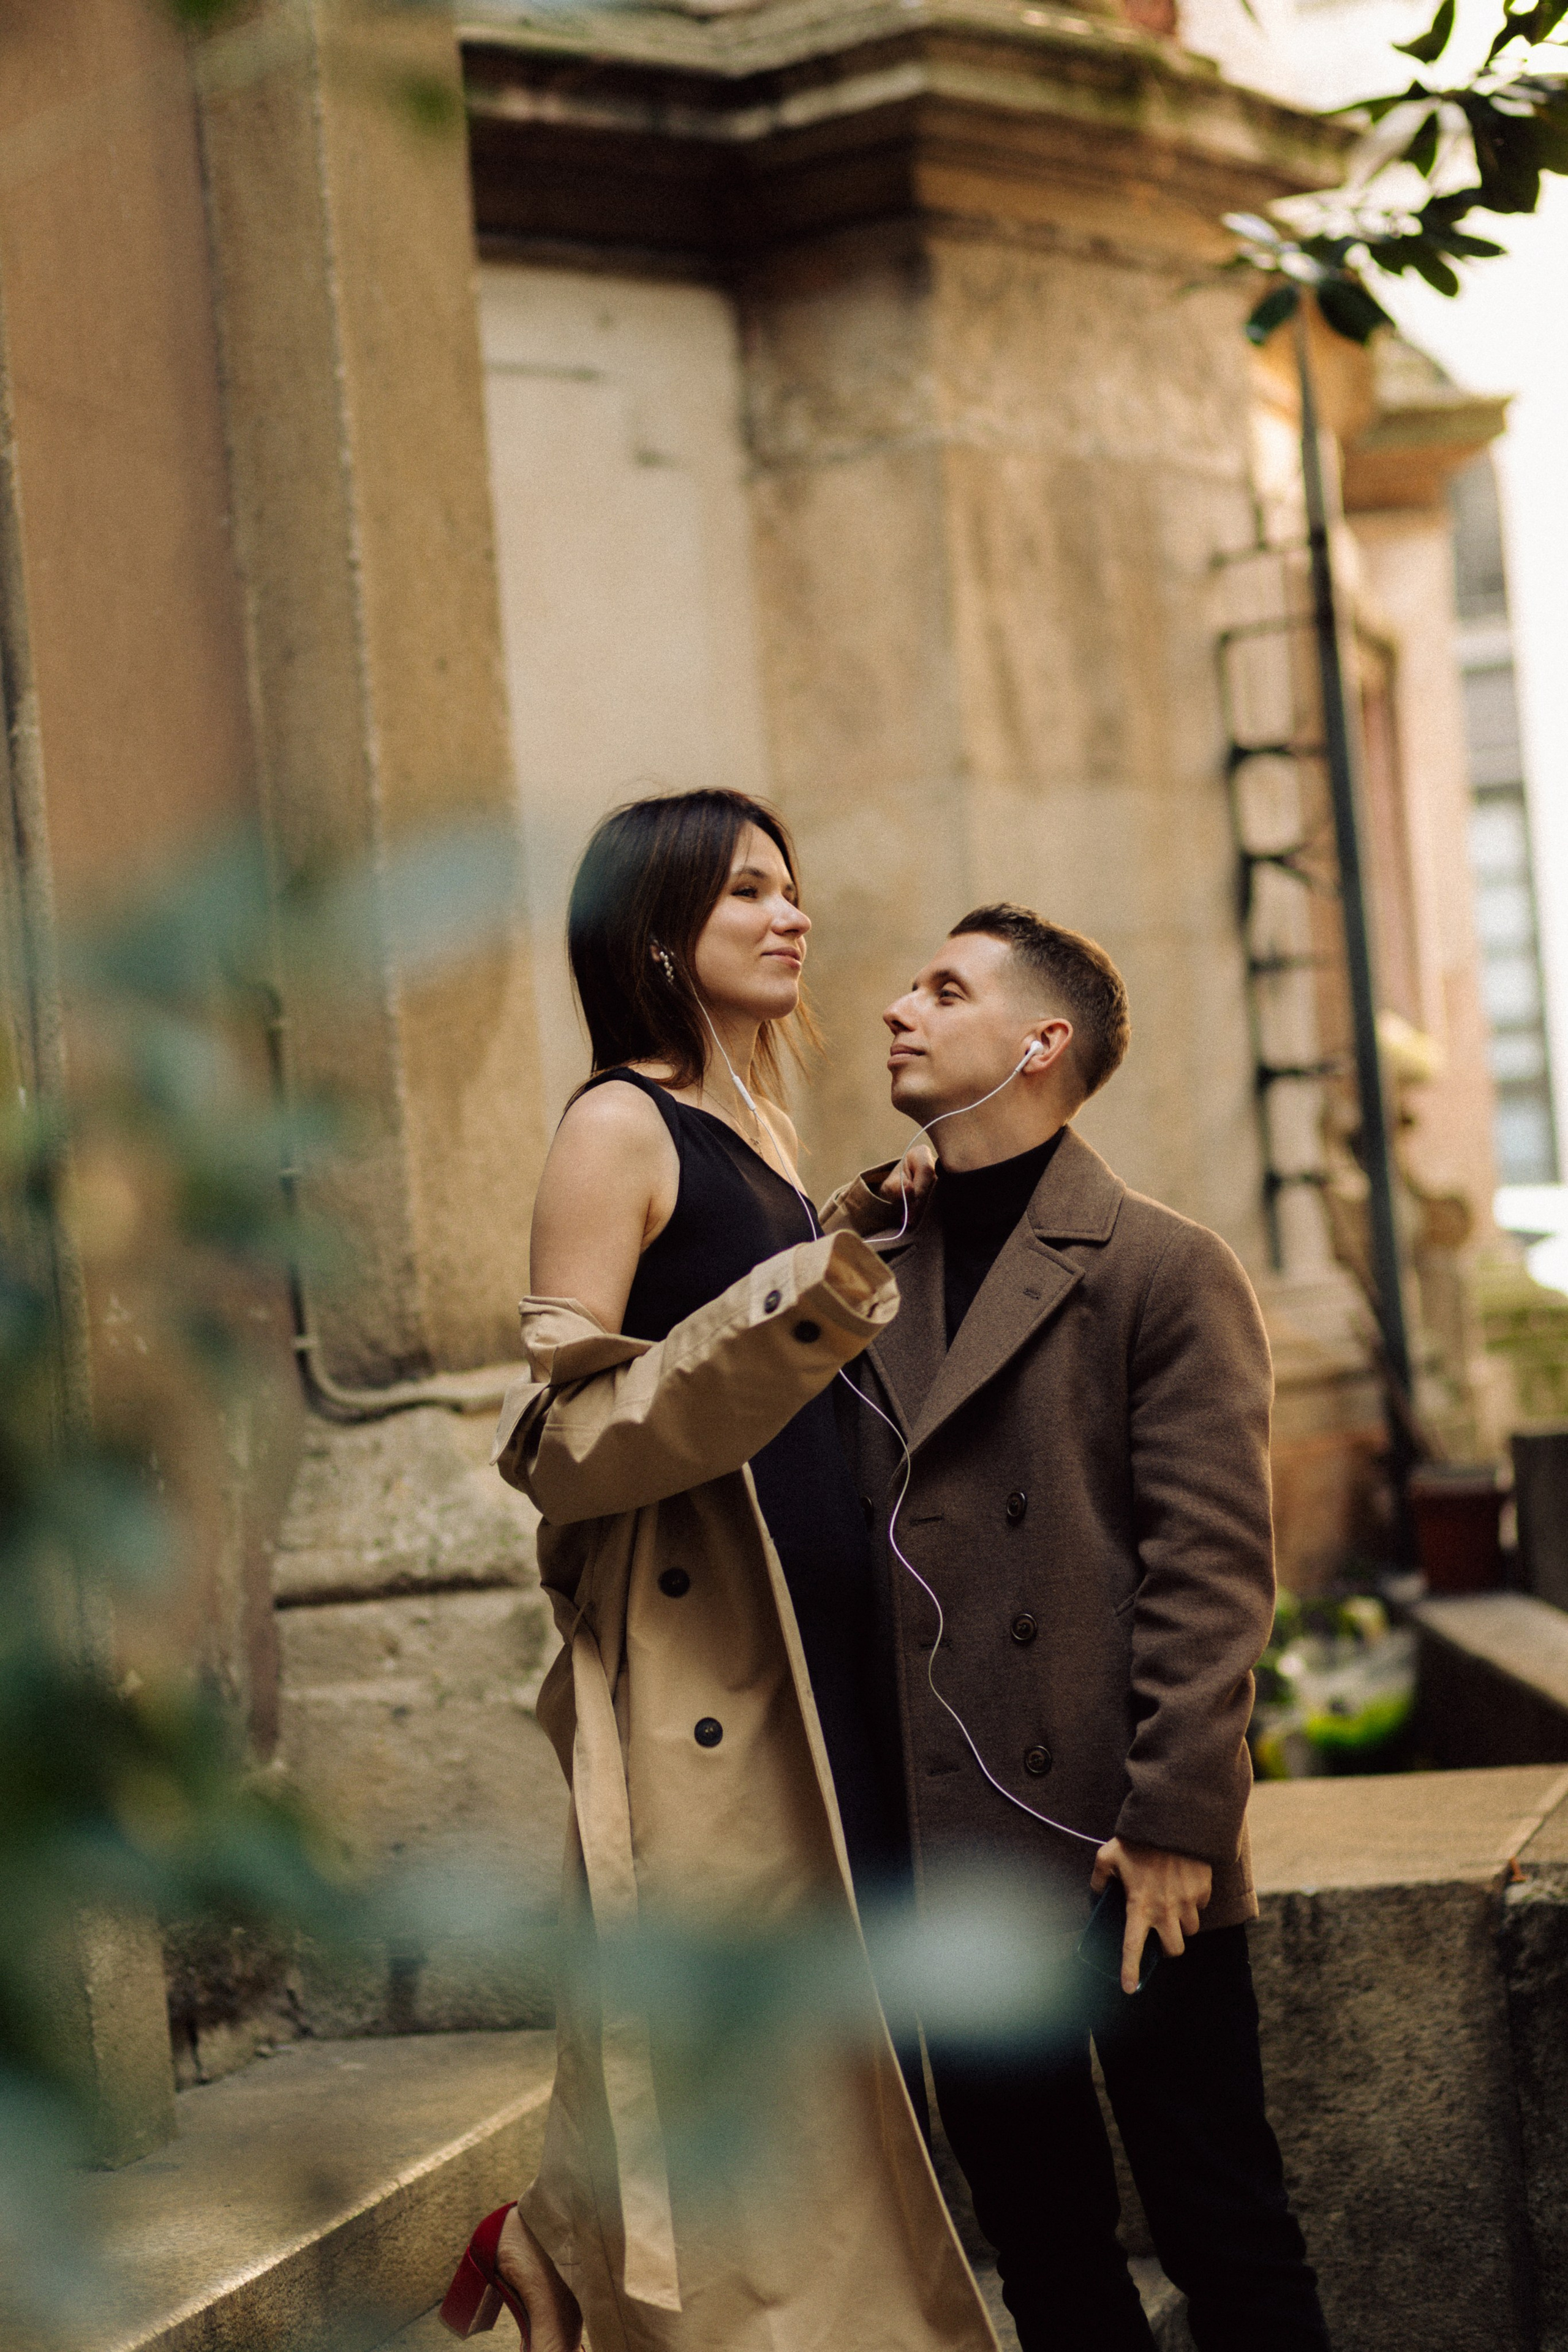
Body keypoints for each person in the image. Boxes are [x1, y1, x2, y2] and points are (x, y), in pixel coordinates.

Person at [440, 791, 996, 2352]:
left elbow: (728, 1330)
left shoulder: (748, 1125)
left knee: (833, 2037)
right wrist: (812, 1293)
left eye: (791, 886)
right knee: (764, 2071)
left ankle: (557, 2237)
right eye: (745, 890)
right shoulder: (613, 1122)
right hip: (711, 1670)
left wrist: (840, 1227)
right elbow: (562, 1436)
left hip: (819, 1642)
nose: (789, 915)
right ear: (654, 932)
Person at [824, 903, 1332, 2352]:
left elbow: (1213, 1569)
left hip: (1130, 1852)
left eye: (943, 988)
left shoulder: (1163, 1269)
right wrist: (864, 1205)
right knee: (1041, 2254)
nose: (894, 1009)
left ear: (1039, 1043)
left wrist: (1177, 1813)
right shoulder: (867, 1265)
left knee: (1222, 2225)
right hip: (953, 1859)